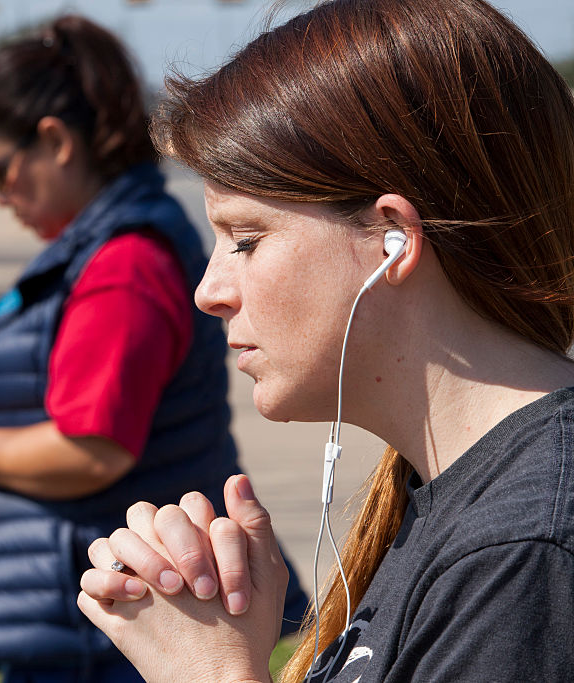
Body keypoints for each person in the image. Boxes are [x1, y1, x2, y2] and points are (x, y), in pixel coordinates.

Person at [76, 0, 574, 681]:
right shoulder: (452, 493)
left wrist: (214, 673)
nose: (208, 290)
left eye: (245, 240)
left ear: (391, 240)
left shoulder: (522, 552)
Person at [0, 15, 307, 682]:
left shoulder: (124, 265)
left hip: (98, 628)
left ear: (54, 142)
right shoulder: (102, 250)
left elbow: (94, 446)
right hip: (93, 604)